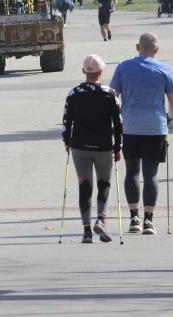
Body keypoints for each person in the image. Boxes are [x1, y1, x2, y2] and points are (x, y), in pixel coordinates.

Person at [109, 33, 173, 235]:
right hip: (155, 128)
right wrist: (169, 119)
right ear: (156, 49)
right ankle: (149, 220)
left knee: (132, 172)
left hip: (129, 127)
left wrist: (117, 119)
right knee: (151, 174)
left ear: (137, 47)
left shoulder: (123, 67)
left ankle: (133, 218)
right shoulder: (164, 70)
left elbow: (113, 96)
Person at [61, 55, 123, 244]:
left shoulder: (74, 93)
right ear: (101, 72)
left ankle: (87, 231)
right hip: (103, 146)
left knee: (84, 185)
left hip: (80, 146)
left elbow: (66, 120)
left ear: (83, 71)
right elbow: (118, 123)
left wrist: (67, 141)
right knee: (104, 183)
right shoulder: (110, 93)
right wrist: (118, 145)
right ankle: (101, 219)